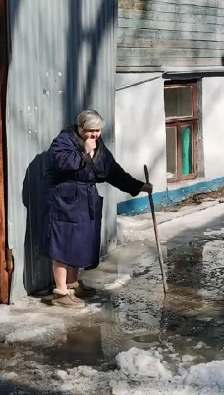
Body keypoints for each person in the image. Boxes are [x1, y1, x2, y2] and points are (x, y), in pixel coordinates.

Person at [42, 109, 152, 308]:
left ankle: (73, 284)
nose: (95, 135)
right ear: (80, 127)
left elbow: (113, 172)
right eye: (91, 131)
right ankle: (61, 293)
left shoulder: (98, 146)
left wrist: (138, 186)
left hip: (85, 200)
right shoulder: (64, 140)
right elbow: (61, 162)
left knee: (78, 242)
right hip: (64, 200)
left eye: (98, 131)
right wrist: (84, 150)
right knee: (62, 244)